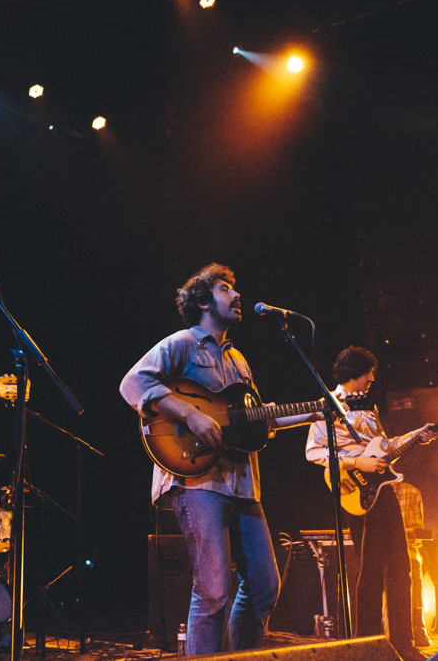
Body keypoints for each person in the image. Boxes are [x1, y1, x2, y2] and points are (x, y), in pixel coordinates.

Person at [120, 263, 320, 654]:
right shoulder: (181, 343)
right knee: (213, 590)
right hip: (197, 481)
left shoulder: (240, 361)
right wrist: (190, 413)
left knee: (264, 585)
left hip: (243, 485)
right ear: (203, 300)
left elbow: (256, 421)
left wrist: (314, 411)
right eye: (226, 288)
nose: (237, 295)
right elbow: (133, 383)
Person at [305, 346, 435, 661]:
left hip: (384, 490)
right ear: (356, 372)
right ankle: (367, 644)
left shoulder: (368, 407)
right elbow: (314, 451)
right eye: (370, 373)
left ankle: (404, 643)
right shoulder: (327, 406)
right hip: (356, 493)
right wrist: (356, 463)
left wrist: (416, 435)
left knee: (402, 567)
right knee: (371, 569)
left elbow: (384, 447)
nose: (372, 379)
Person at [394, 480, 433, 647]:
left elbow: (416, 533)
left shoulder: (411, 492)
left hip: (404, 547)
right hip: (378, 548)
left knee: (412, 564)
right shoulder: (368, 492)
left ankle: (416, 627)